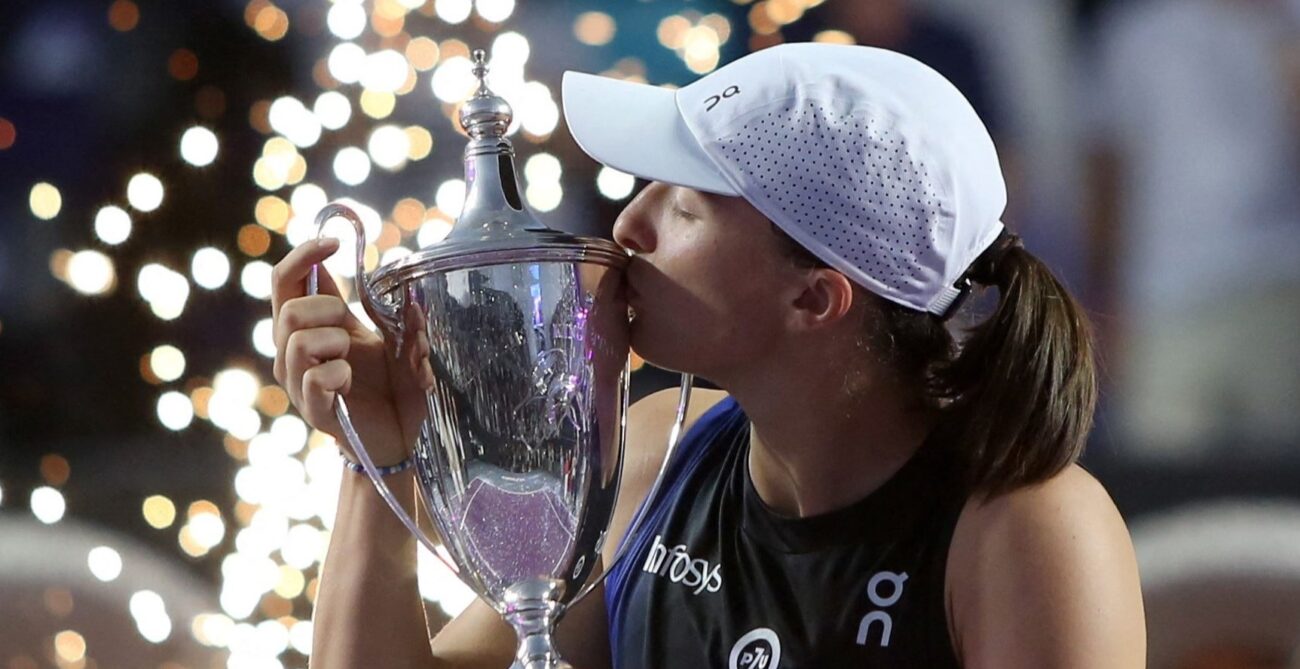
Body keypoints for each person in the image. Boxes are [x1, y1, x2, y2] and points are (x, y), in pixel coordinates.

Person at [272, 43, 1145, 668]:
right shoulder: (657, 450)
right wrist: (378, 455)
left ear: (816, 296)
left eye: (684, 208)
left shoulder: (1029, 532)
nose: (627, 227)